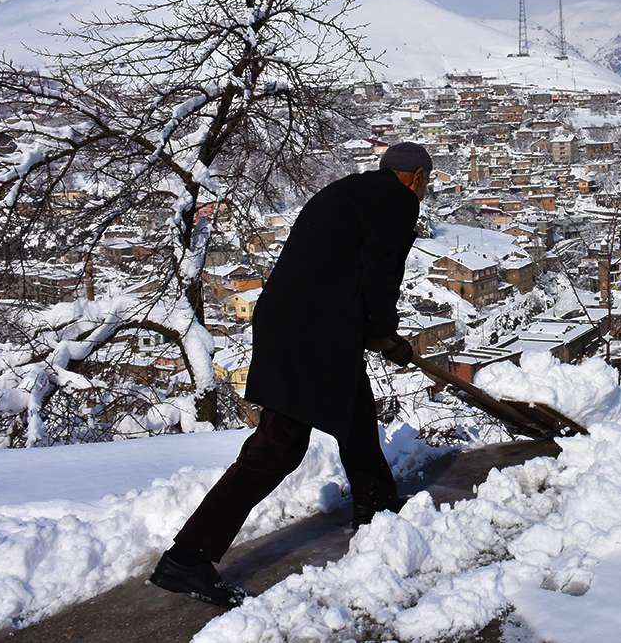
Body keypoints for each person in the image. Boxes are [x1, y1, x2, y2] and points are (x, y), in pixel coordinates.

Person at [149, 141, 434, 607]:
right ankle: (187, 558)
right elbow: (380, 275)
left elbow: (338, 269)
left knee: (355, 411)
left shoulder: (351, 191)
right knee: (280, 445)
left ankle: (376, 501)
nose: (424, 190)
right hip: (311, 334)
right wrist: (382, 331)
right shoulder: (397, 201)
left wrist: (370, 332)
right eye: (426, 182)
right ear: (417, 177)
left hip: (296, 322)